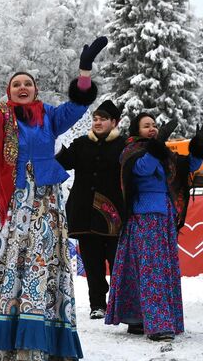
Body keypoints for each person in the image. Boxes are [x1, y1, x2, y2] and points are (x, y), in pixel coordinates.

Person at [0, 37, 105, 360]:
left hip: (46, 203)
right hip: (11, 204)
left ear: (35, 90)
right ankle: (7, 342)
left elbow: (77, 107)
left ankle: (43, 342)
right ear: (9, 91)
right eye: (16, 84)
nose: (22, 87)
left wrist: (85, 71)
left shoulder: (50, 115)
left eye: (28, 84)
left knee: (42, 266)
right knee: (8, 266)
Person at [105, 113, 203, 341]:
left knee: (155, 269)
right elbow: (143, 169)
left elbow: (188, 167)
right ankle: (157, 324)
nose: (153, 128)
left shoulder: (162, 152)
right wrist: (157, 145)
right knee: (151, 270)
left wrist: (200, 145)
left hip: (163, 216)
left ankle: (138, 318)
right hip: (143, 214)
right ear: (137, 129)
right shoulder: (130, 150)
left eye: (155, 125)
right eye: (147, 126)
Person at [56, 99, 126, 320]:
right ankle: (97, 304)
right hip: (84, 212)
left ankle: (120, 302)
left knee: (117, 262)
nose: (97, 122)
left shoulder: (124, 145)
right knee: (92, 263)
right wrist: (53, 139)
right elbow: (65, 161)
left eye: (103, 119)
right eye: (95, 118)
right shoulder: (81, 143)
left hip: (114, 214)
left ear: (114, 122)